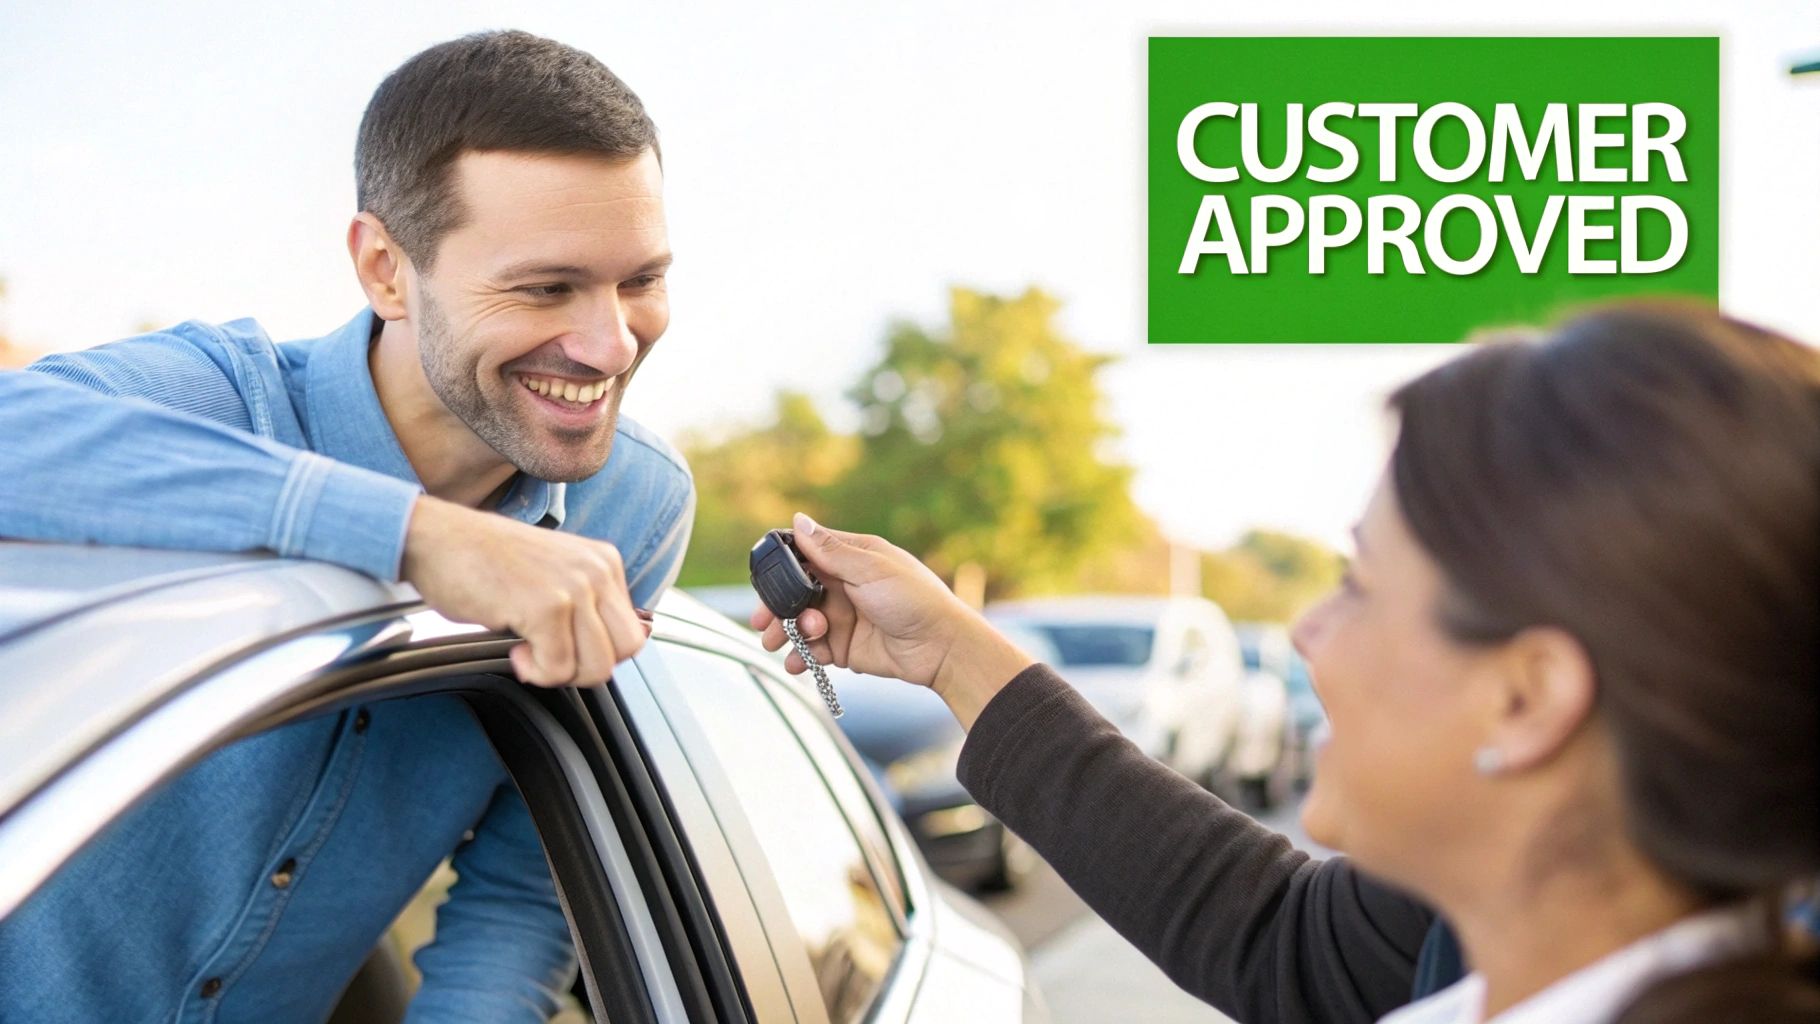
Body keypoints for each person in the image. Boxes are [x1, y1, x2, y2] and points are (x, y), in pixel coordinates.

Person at [753, 301, 1820, 1024]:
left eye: (1359, 586)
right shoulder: (1511, 949)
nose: (1303, 636)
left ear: (1524, 696)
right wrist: (946, 649)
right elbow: (1280, 936)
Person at [0, 31, 692, 1023]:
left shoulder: (637, 509)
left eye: (640, 279)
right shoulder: (216, 403)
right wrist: (417, 535)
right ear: (385, 269)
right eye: (545, 287)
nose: (609, 343)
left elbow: (526, 878)